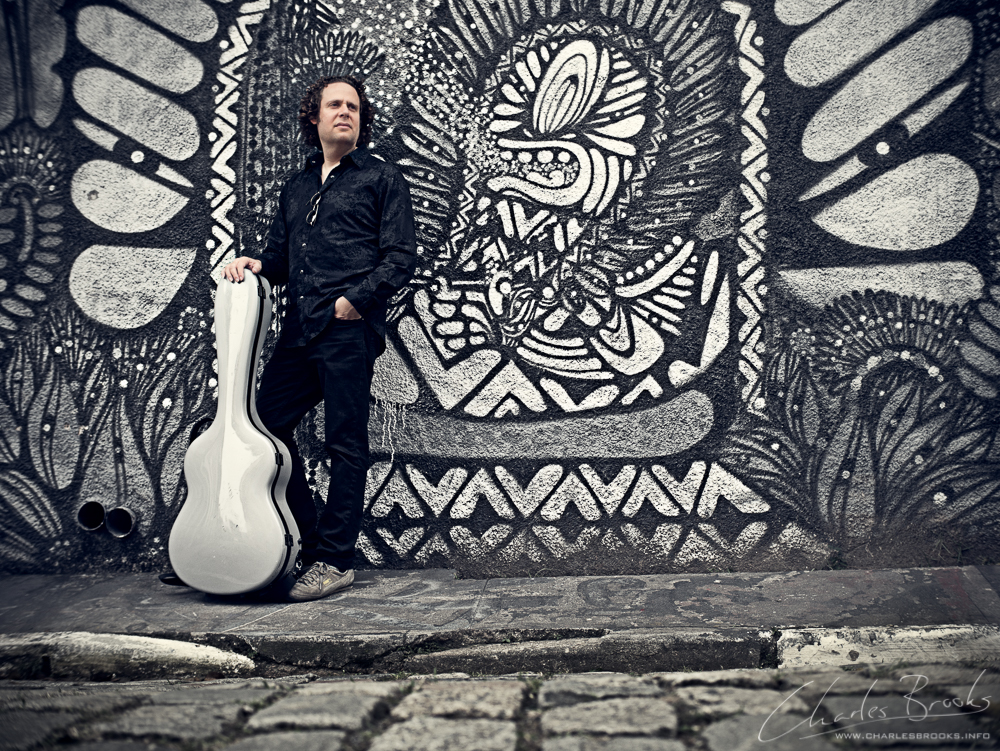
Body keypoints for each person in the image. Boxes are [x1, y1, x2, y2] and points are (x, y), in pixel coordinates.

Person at [222, 75, 417, 601]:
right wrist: (255, 263)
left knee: (344, 444)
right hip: (298, 332)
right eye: (335, 104)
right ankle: (304, 543)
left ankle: (334, 561)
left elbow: (400, 257)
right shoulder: (297, 186)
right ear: (315, 116)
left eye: (354, 106)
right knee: (265, 429)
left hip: (347, 331)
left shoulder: (381, 177)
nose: (346, 112)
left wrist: (356, 301)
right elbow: (280, 260)